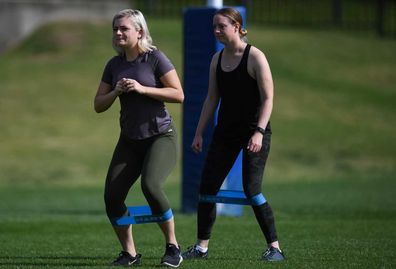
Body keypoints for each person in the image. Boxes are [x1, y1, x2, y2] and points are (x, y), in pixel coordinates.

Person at [181, 7, 285, 262]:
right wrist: (198, 133)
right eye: (214, 27)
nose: (216, 31)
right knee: (206, 189)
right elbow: (211, 98)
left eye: (221, 26)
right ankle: (201, 248)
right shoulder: (216, 60)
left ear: (237, 27)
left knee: (252, 189)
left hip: (254, 131)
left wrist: (259, 132)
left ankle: (275, 249)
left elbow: (269, 99)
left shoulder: (255, 57)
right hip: (225, 133)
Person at [94, 9, 184, 267]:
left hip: (160, 137)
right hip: (129, 141)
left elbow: (179, 94)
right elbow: (98, 105)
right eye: (115, 29)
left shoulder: (155, 58)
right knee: (112, 196)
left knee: (151, 186)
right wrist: (115, 92)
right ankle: (130, 253)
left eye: (124, 29)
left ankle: (172, 247)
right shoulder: (114, 65)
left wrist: (143, 88)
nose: (118, 33)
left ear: (140, 31)